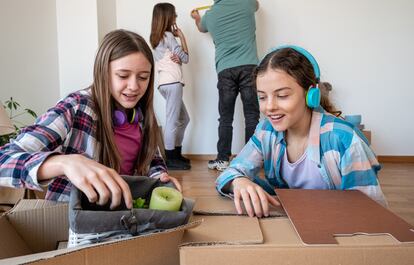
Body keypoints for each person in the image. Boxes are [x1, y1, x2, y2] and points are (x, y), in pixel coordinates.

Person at [0, 29, 181, 210]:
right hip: (74, 223)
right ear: (103, 72)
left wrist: (159, 178)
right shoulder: (76, 106)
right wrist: (64, 163)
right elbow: (4, 160)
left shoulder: (141, 115)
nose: (134, 86)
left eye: (143, 77)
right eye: (123, 76)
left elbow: (153, 161)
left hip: (123, 216)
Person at [216, 45, 387, 217]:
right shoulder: (266, 131)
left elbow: (370, 211)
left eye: (282, 96)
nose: (269, 107)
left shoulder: (345, 140)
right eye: (262, 97)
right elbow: (230, 172)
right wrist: (238, 181)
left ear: (311, 94)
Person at [191, 0, 261, 171]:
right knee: (252, 115)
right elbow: (257, 5)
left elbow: (201, 28)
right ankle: (251, 159)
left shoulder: (211, 14)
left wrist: (196, 18)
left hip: (225, 69)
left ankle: (222, 159)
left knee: (225, 118)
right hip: (249, 67)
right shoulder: (247, 3)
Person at [150, 3, 191, 170]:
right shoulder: (168, 36)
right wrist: (182, 37)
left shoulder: (156, 37)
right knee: (173, 120)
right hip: (173, 82)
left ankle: (176, 153)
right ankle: (171, 158)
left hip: (164, 83)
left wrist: (179, 57)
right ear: (167, 16)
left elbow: (178, 58)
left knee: (184, 119)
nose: (176, 17)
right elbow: (186, 58)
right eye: (174, 14)